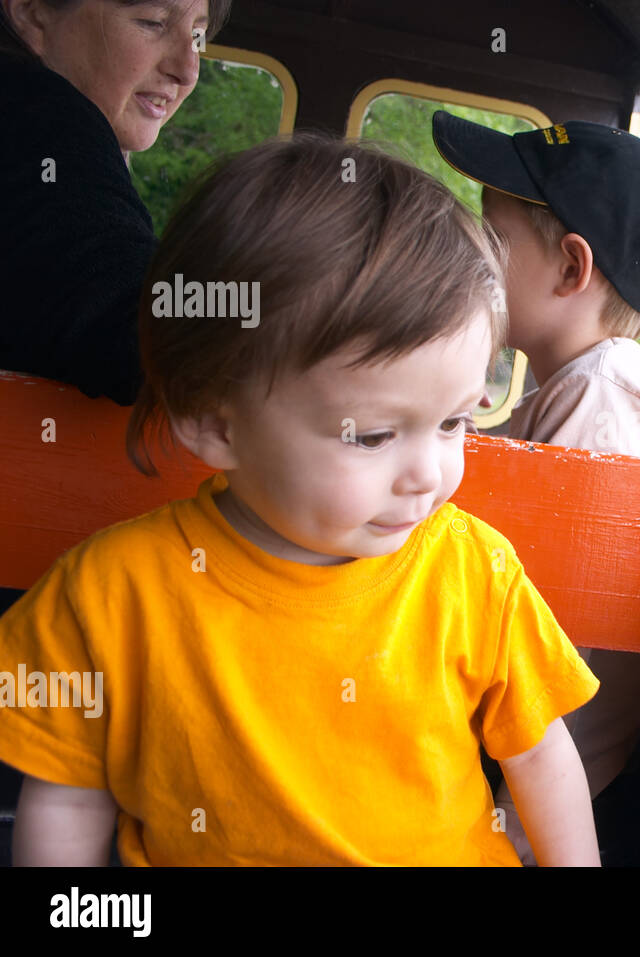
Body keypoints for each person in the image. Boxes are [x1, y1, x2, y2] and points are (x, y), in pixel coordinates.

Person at [0, 136, 601, 866]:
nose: (428, 473)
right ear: (214, 422)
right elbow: (66, 796)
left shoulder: (476, 572)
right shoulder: (105, 597)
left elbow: (541, 758)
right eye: (374, 434)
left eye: (455, 422)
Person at [431, 111, 640, 864]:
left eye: (492, 239)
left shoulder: (604, 393)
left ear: (569, 269)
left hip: (528, 798)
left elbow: (539, 612)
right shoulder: (578, 384)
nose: (473, 258)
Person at [0, 0, 227, 406]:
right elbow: (143, 334)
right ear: (32, 11)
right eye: (153, 22)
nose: (188, 69)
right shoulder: (41, 116)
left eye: (197, 36)